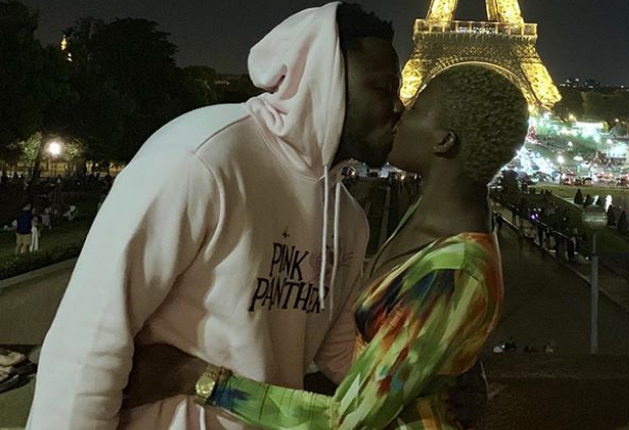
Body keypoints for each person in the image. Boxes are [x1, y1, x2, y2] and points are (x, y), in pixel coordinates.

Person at [27, 4, 406, 429]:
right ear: (327, 79)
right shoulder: (202, 157)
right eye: (385, 88)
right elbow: (91, 336)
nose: (398, 107)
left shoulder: (348, 219)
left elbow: (339, 352)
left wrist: (430, 376)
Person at [124, 65, 527, 428]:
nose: (400, 111)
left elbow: (347, 419)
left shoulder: (453, 271)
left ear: (444, 141)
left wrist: (193, 376)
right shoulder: (429, 221)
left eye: (418, 107)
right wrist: (444, 364)